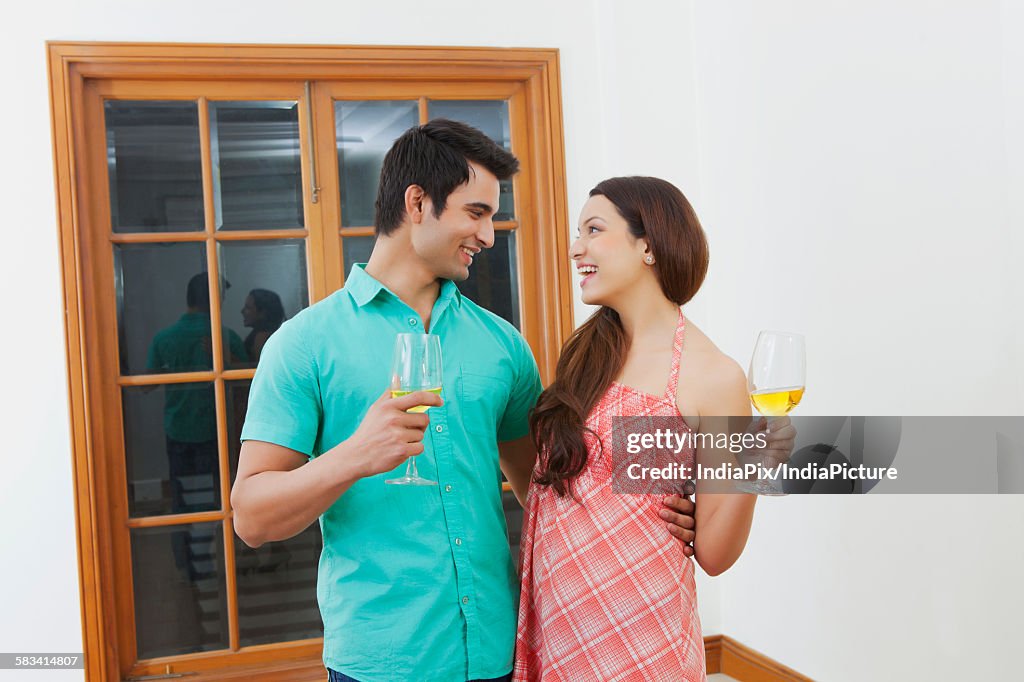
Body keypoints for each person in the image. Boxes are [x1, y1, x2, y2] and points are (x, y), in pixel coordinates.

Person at [230, 121, 698, 682]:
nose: (488, 234)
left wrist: (670, 504)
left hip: (496, 653)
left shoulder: (502, 345)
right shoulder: (304, 343)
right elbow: (252, 517)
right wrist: (356, 455)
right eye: (476, 213)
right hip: (382, 663)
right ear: (418, 202)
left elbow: (550, 490)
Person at [514, 177, 795, 681]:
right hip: (559, 626)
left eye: (593, 230)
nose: (576, 247)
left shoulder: (713, 376)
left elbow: (714, 552)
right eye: (578, 232)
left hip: (642, 638)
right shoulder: (586, 355)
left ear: (648, 245)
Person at [241, 288, 285, 362]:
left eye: (248, 308)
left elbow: (260, 368)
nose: (242, 311)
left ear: (262, 313)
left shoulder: (261, 337)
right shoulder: (276, 334)